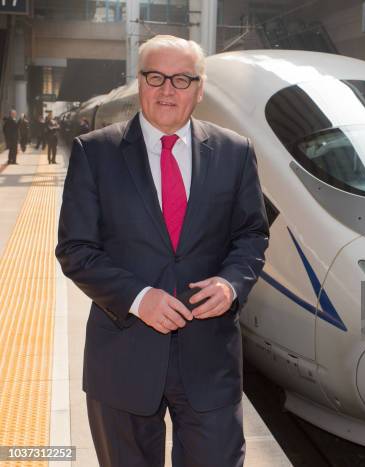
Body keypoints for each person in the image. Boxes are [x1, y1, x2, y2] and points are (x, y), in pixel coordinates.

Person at [55, 35, 269, 467]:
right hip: (123, 358)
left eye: (181, 79)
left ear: (199, 87)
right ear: (140, 82)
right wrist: (138, 298)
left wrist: (231, 284)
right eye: (156, 77)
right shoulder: (96, 152)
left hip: (209, 361)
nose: (168, 90)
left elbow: (252, 235)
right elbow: (75, 249)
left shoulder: (235, 152)